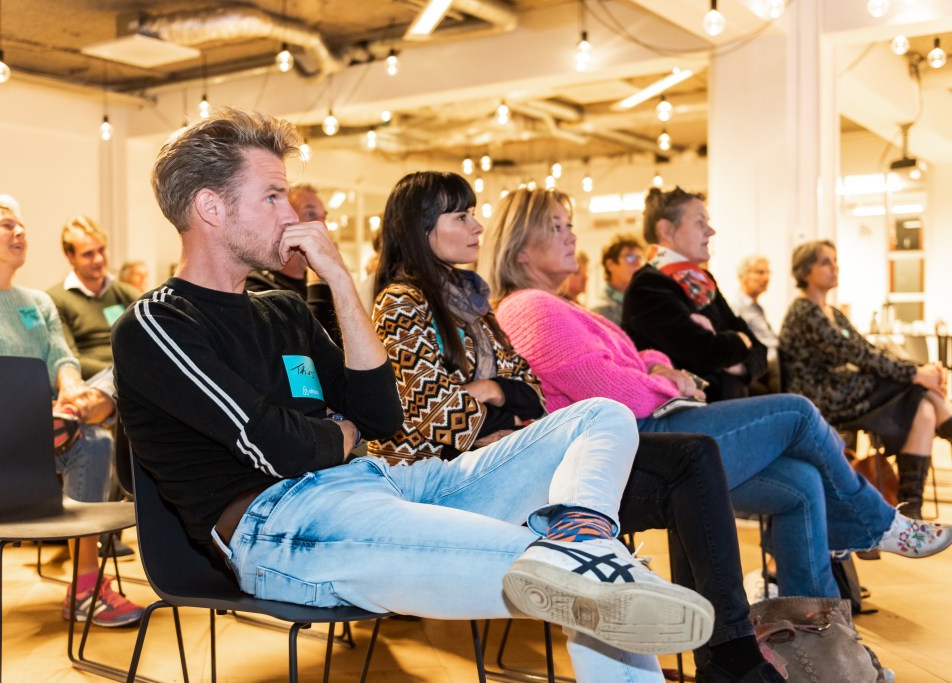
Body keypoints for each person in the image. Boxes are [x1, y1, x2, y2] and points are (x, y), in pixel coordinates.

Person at [110, 109, 715, 683]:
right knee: (590, 584)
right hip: (284, 526)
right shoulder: (158, 323)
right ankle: (588, 561)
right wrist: (337, 433)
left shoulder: (284, 310)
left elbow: (380, 415)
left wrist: (339, 280)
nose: (291, 215)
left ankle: (582, 532)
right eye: (272, 196)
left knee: (601, 418)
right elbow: (276, 448)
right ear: (210, 208)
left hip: (385, 483)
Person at [371, 171, 782, 683]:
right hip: (454, 482)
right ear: (422, 227)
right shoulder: (401, 302)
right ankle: (729, 658)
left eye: (474, 214)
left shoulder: (472, 302)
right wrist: (501, 411)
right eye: (462, 216)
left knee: (691, 459)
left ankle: (728, 651)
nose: (477, 226)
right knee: (639, 434)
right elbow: (434, 414)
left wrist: (494, 391)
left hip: (511, 464)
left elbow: (530, 391)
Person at [480, 186, 952, 603]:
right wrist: (670, 379)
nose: (571, 237)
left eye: (569, 225)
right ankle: (876, 524)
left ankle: (818, 634)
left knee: (803, 483)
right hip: (640, 444)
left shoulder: (557, 304)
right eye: (556, 227)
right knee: (798, 413)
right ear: (521, 250)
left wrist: (657, 366)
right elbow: (616, 391)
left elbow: (640, 359)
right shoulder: (531, 308)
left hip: (651, 431)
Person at [0, 194, 144, 627]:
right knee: (91, 432)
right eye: (6, 225)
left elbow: (62, 357)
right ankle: (70, 418)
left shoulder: (37, 302)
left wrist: (72, 387)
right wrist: (43, 412)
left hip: (45, 435)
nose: (20, 231)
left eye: (21, 224)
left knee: (126, 377)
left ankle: (84, 587)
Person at [779, 239, 952, 519]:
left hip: (845, 389)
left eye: (835, 261)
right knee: (918, 389)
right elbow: (858, 355)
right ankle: (947, 430)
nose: (835, 268)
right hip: (822, 397)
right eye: (825, 262)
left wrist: (921, 371)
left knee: (924, 407)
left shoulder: (832, 313)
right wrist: (918, 373)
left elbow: (868, 349)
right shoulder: (804, 311)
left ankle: (911, 511)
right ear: (805, 271)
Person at [622, 187, 766, 402]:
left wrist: (733, 357)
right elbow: (706, 355)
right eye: (700, 223)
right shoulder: (648, 286)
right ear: (666, 230)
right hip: (688, 412)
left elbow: (760, 351)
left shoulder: (702, 281)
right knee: (797, 408)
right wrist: (741, 340)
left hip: (722, 403)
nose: (711, 231)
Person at [245, 183, 341, 344]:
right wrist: (318, 281)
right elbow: (305, 345)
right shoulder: (257, 285)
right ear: (285, 220)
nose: (322, 226)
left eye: (323, 217)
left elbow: (339, 346)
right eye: (310, 215)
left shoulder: (322, 284)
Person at [48, 216, 141, 380]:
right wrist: (122, 373)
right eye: (88, 254)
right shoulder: (56, 300)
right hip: (94, 381)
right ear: (70, 256)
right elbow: (69, 359)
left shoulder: (126, 293)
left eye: (102, 250)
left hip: (131, 376)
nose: (98, 259)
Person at [734, 256, 780, 394]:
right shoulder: (737, 308)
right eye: (760, 272)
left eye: (768, 272)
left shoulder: (756, 307)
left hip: (772, 359)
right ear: (743, 276)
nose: (766, 278)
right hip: (764, 361)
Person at [592, 234, 645, 325]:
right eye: (630, 258)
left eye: (639, 258)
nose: (638, 264)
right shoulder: (600, 309)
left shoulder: (644, 300)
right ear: (610, 264)